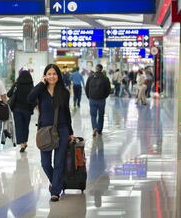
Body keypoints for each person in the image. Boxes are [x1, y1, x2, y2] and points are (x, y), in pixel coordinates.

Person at [27, 64, 74, 202]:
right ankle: (56, 182)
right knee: (45, 163)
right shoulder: (41, 91)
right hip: (45, 130)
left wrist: (70, 132)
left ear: (58, 76)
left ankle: (55, 191)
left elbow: (67, 112)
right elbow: (29, 99)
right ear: (45, 76)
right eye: (49, 74)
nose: (52, 76)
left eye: (54, 74)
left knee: (59, 162)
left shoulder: (64, 92)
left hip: (62, 130)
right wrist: (40, 84)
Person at [7, 70, 34, 153]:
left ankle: (22, 144)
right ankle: (25, 142)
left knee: (19, 126)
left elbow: (9, 94)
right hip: (27, 110)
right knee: (26, 126)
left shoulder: (17, 84)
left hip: (17, 109)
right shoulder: (31, 86)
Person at [85, 64, 111, 137]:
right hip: (101, 100)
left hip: (92, 99)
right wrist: (104, 96)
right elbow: (108, 90)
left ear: (96, 69)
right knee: (101, 115)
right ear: (101, 69)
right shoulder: (105, 78)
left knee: (93, 115)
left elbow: (86, 88)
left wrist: (89, 96)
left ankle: (95, 127)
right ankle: (99, 131)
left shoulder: (90, 77)